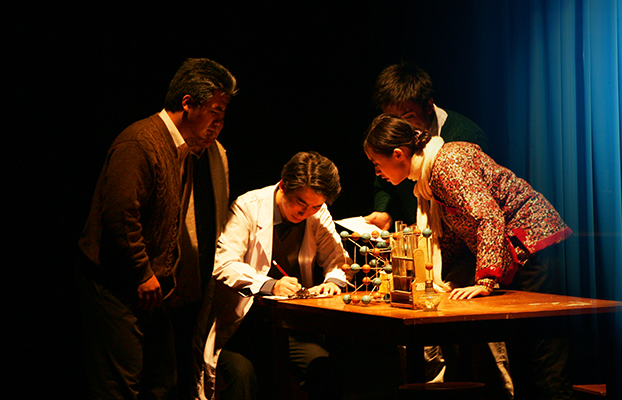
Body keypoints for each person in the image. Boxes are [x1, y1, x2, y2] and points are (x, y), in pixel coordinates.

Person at [364, 114, 574, 399]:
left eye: (376, 162)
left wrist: (485, 280)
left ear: (398, 154)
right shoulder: (430, 176)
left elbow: (488, 216)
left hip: (533, 245)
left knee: (542, 354)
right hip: (517, 253)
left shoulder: (447, 164)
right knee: (522, 356)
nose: (377, 171)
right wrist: (439, 278)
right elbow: (456, 231)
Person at [75, 57, 236, 399]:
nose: (219, 123)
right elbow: (120, 216)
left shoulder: (184, 150)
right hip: (117, 287)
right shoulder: (141, 142)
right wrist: (142, 272)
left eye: (223, 115)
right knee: (119, 387)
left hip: (152, 293)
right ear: (187, 103)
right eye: (215, 111)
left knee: (162, 384)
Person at [199, 152, 351, 400]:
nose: (306, 212)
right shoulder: (248, 207)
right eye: (301, 203)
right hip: (244, 326)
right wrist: (271, 285)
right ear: (283, 186)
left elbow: (337, 258)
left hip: (289, 327)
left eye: (315, 206)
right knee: (241, 377)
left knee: (325, 370)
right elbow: (225, 264)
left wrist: (332, 282)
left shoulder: (317, 212)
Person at [363, 61, 488, 231]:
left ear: (428, 106)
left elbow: (481, 214)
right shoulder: (398, 139)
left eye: (407, 117)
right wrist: (385, 212)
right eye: (392, 119)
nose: (399, 126)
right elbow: (385, 181)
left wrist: (428, 228)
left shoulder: (464, 138)